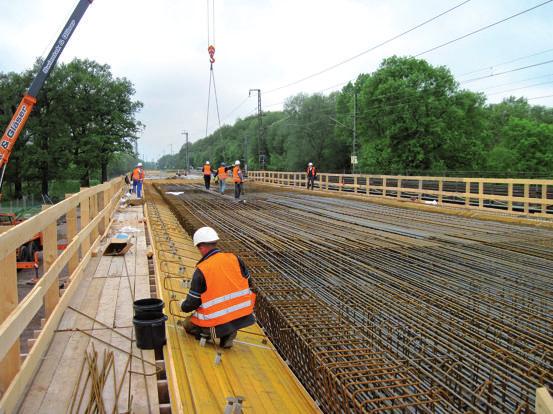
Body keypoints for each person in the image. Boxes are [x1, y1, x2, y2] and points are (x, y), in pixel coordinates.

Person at [180, 227, 255, 348]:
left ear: (202, 247)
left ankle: (208, 333)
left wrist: (182, 306)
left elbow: (191, 303)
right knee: (223, 318)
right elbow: (249, 283)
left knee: (187, 324)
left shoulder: (202, 270)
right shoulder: (235, 259)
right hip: (241, 316)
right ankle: (229, 332)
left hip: (216, 320)